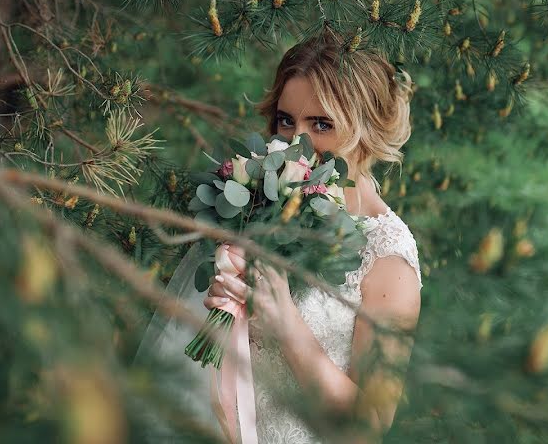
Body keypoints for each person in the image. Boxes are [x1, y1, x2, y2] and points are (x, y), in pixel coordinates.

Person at [133, 28, 423, 443]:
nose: (296, 142)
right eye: (286, 120)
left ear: (367, 128)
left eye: (321, 124)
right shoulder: (255, 203)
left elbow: (369, 428)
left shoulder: (388, 258)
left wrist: (285, 321)